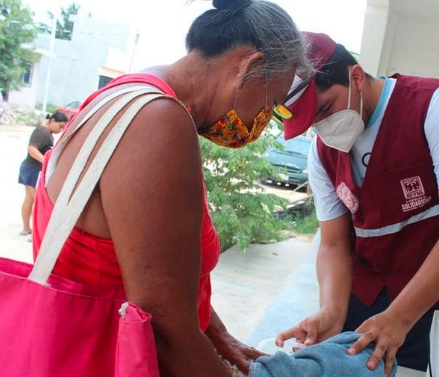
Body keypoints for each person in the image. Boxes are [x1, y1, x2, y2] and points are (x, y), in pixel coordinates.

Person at [31, 0, 310, 375]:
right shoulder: (158, 121)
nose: (260, 123)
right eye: (270, 103)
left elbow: (157, 267)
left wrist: (216, 333)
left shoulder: (126, 95)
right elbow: (164, 330)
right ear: (250, 65)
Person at [275, 32, 439, 374]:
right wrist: (332, 310)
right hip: (371, 286)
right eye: (312, 123)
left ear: (357, 77)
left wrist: (399, 317)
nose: (324, 127)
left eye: (325, 109)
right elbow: (334, 244)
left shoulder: (438, 106)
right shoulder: (322, 155)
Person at [18, 111, 68, 236]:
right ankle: (35, 234)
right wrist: (46, 161)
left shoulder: (47, 132)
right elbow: (31, 149)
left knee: (29, 199)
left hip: (29, 169)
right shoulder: (42, 132)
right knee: (38, 202)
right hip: (33, 169)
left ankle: (26, 229)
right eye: (60, 126)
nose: (61, 130)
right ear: (52, 121)